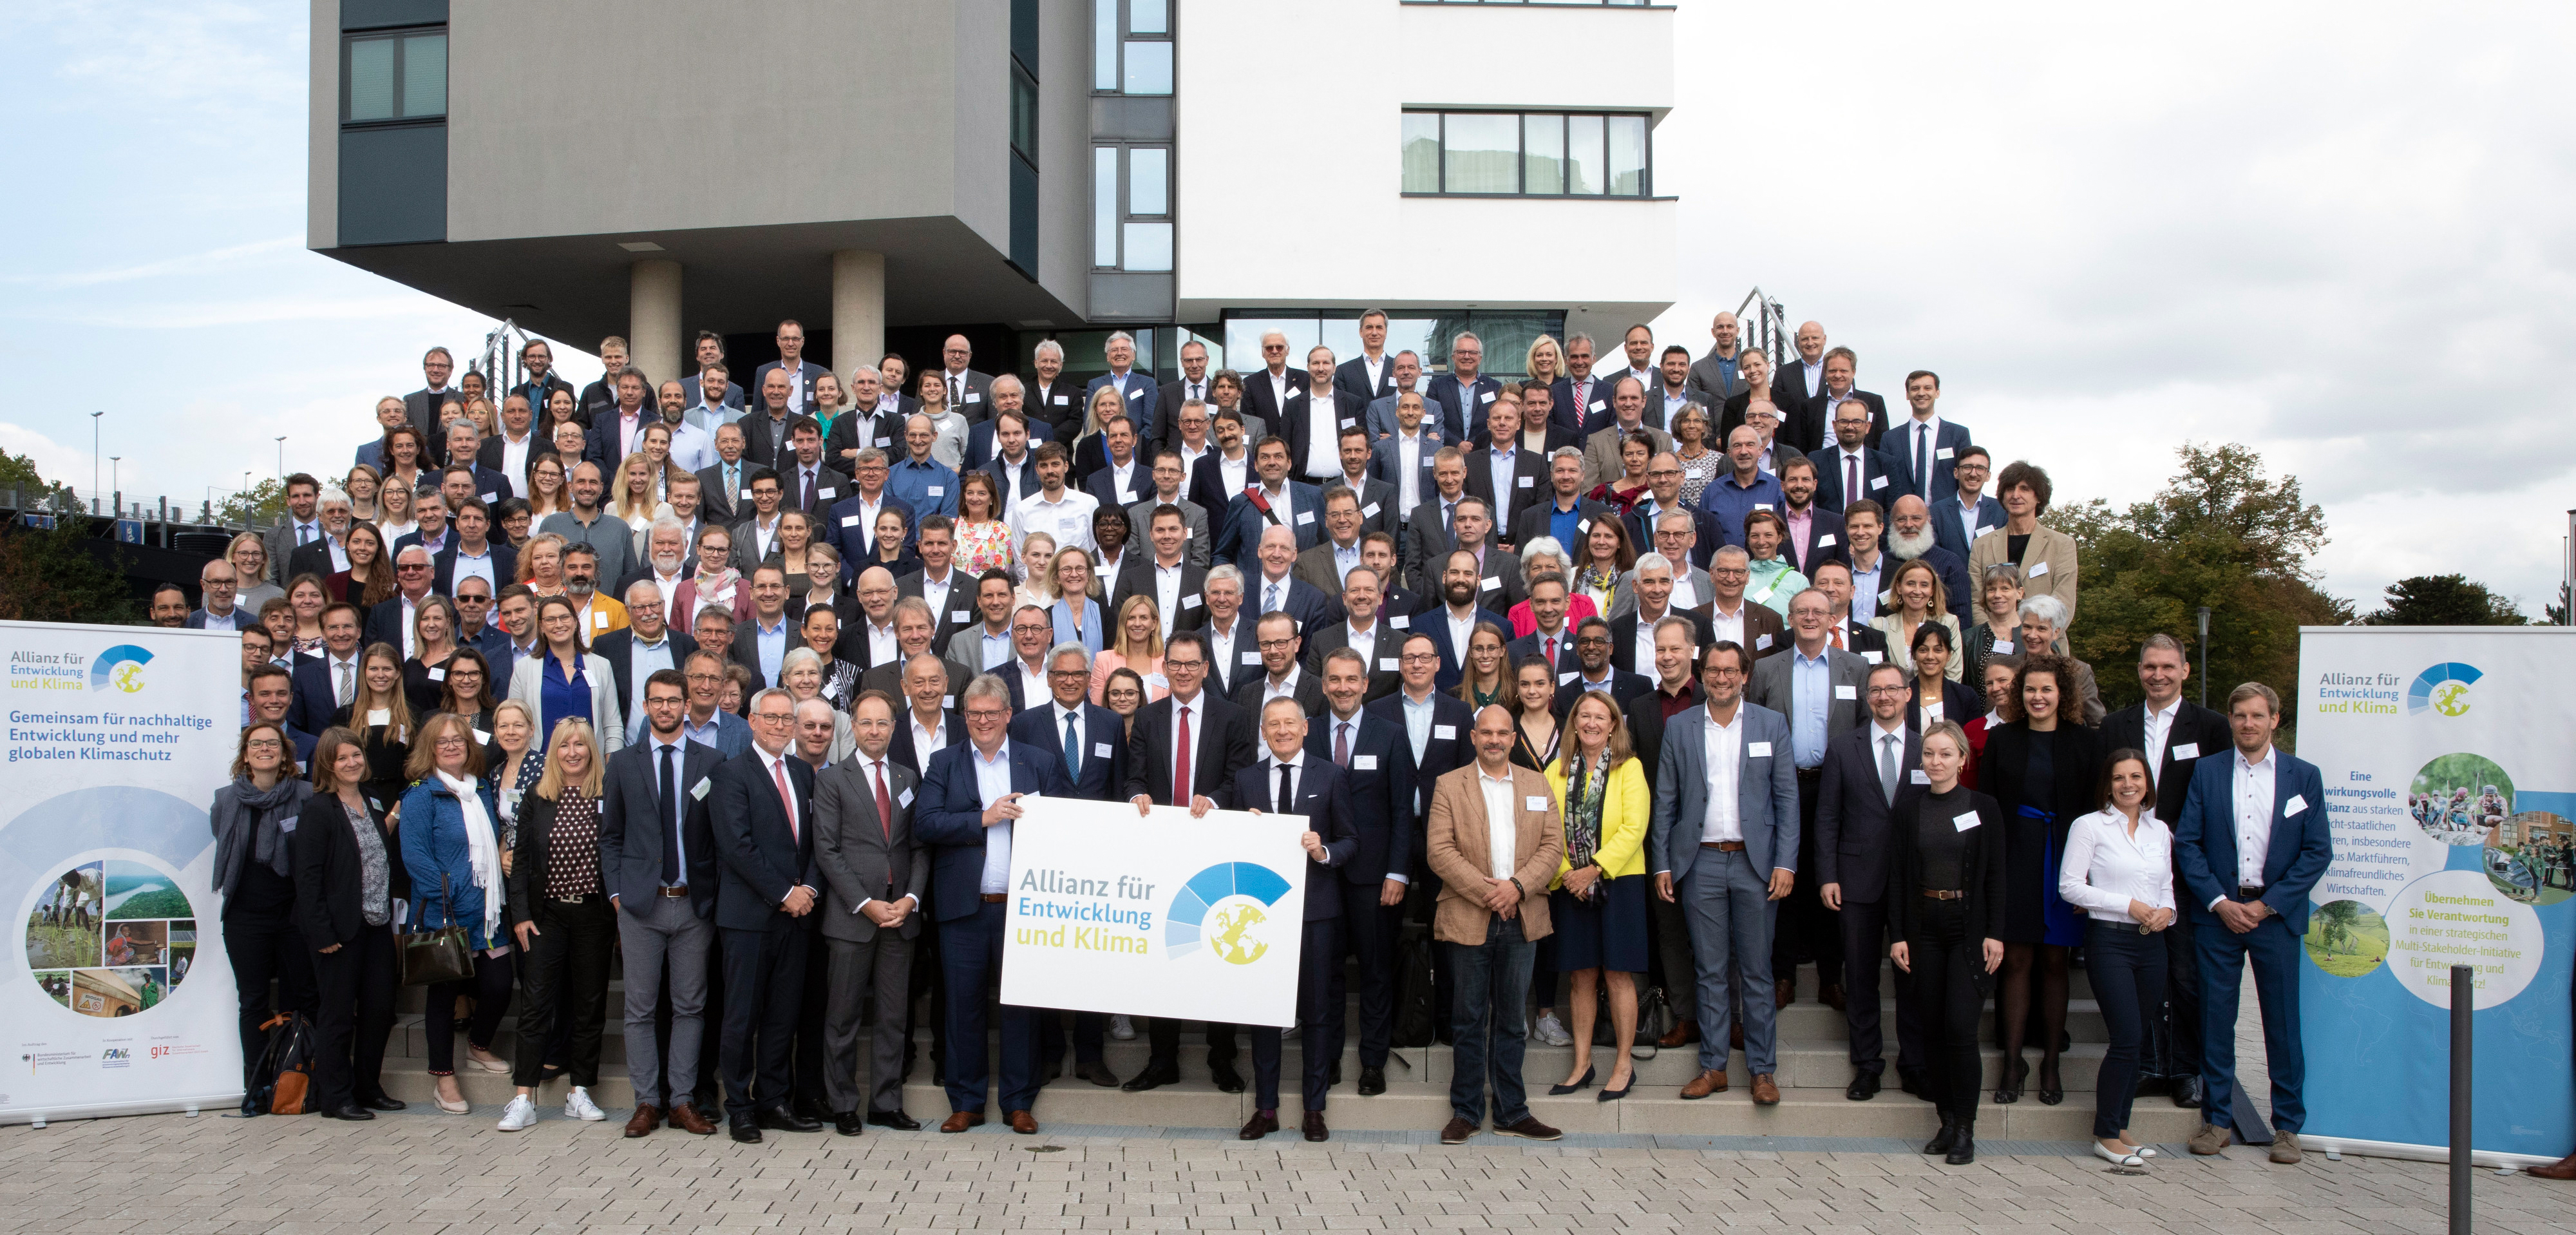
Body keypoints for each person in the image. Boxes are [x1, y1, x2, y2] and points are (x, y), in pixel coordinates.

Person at [2175, 683, 2333, 1163]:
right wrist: (2221, 902)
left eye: (2257, 716)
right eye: (2240, 715)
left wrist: (2267, 906)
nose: (2248, 724)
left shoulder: (2303, 776)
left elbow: (2317, 851)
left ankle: (2287, 1125)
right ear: (2231, 719)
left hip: (2275, 918)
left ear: (2275, 720)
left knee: (2281, 1024)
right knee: (2216, 1020)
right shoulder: (2208, 770)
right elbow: (2188, 844)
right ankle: (2217, 1119)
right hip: (2219, 915)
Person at [918, 675, 1068, 1134]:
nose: (983, 720)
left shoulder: (1038, 761)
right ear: (965, 717)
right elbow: (926, 823)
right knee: (963, 1008)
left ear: (1008, 715)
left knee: (1020, 1008)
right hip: (963, 909)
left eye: (991, 712)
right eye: (974, 713)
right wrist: (984, 818)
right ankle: (966, 1102)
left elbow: (1064, 823)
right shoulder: (944, 762)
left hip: (1024, 909)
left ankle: (1018, 1102)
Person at [1651, 641, 1798, 1105]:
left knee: (1756, 971)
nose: (1721, 678)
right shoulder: (1680, 726)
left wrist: (1785, 861)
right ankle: (1714, 1067)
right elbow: (1666, 801)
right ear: (1702, 673)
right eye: (1713, 670)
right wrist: (1663, 862)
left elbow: (1787, 800)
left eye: (1729, 671)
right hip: (1702, 862)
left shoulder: (1770, 724)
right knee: (1710, 969)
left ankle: (1762, 1071)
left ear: (1744, 675)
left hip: (1756, 865)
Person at [1118, 631, 1257, 1093]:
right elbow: (1135, 774)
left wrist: (1215, 800)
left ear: (1204, 668)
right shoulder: (1149, 715)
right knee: (1164, 956)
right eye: (1174, 663)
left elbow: (1241, 777)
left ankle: (1223, 1056)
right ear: (1166, 666)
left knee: (1217, 952)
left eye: (1190, 664)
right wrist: (1137, 793)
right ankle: (1163, 1060)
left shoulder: (1233, 716)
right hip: (1162, 852)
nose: (1181, 670)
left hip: (1215, 850)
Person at [2101, 633, 2234, 1109]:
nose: (2158, 674)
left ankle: (2184, 1068)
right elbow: (2104, 791)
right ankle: (2147, 1062)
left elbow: (2220, 799)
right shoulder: (2116, 725)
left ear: (2184, 671)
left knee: (2183, 972)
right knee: (2141, 972)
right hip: (2127, 865)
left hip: (2184, 867)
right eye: (2150, 666)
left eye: (2167, 667)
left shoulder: (2213, 727)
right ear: (2139, 670)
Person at [1426, 703, 1566, 1145]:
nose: (1494, 740)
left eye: (1503, 732)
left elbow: (1552, 845)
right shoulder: (1449, 785)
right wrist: (1492, 892)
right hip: (1471, 914)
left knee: (1511, 1019)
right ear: (1473, 737)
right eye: (1486, 732)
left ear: (1513, 737)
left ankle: (1511, 1109)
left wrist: (1518, 887)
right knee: (1467, 1018)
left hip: (1522, 916)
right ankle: (1466, 1110)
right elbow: (1439, 851)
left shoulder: (1536, 783)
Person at [594, 670, 723, 1137]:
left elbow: (718, 836)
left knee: (690, 1006)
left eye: (674, 700)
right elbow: (610, 837)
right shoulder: (624, 764)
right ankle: (647, 1101)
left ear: (687, 705)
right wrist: (616, 894)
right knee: (640, 1008)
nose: (666, 708)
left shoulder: (712, 761)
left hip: (693, 905)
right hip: (640, 905)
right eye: (657, 701)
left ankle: (683, 1101)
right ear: (645, 706)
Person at [1979, 651, 2107, 1106]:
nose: (2037, 697)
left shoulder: (2084, 742)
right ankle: (2014, 1062)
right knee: (2015, 962)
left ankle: (2051, 1062)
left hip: (2067, 858)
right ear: (2019, 693)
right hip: (2015, 857)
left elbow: (2097, 812)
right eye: (2030, 689)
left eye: (2046, 689)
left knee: (2055, 963)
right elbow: (1988, 808)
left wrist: (2089, 876)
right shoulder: (2002, 740)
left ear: (2062, 694)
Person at [1229, 698, 1358, 1142]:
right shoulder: (1245, 780)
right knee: (1265, 1011)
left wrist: (1323, 850)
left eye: (1289, 723)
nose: (1282, 731)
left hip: (1317, 912)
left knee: (1319, 1012)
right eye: (1273, 724)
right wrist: (1242, 828)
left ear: (1305, 728)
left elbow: (1350, 841)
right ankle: (1266, 1108)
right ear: (1263, 731)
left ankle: (1314, 1108)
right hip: (1261, 915)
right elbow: (1228, 846)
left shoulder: (1331, 775)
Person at [1887, 721, 2007, 1165]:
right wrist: (1898, 933)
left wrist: (1996, 931)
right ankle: (1946, 1121)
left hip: (1968, 928)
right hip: (1924, 928)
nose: (1936, 762)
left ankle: (1967, 1127)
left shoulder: (1984, 807)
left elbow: (1996, 873)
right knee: (1932, 1031)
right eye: (1930, 754)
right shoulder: (1909, 809)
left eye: (1945, 753)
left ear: (1963, 757)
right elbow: (1897, 876)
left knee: (1960, 1028)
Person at [706, 689, 823, 1142]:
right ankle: (740, 1105)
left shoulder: (802, 771)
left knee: (782, 1015)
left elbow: (816, 840)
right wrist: (783, 893)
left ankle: (774, 1099)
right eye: (770, 717)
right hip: (749, 918)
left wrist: (808, 888)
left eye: (786, 718)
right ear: (751, 721)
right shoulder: (730, 774)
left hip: (797, 918)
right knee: (742, 1016)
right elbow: (736, 846)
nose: (779, 725)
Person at [492, 718, 615, 1131]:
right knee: (536, 1005)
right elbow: (522, 861)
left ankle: (580, 1091)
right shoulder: (537, 798)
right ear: (554, 752)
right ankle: (523, 1096)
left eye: (581, 745)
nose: (573, 752)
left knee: (588, 1004)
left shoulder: (608, 794)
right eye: (565, 746)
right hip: (546, 918)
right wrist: (521, 914)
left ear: (592, 751)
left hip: (594, 916)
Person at [1815, 662, 1927, 1100]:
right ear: (1866, 697)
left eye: (1892, 689)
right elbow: (1827, 818)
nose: (1884, 696)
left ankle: (1914, 1064)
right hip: (1856, 879)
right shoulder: (1844, 748)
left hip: (1913, 884)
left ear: (1908, 695)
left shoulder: (1926, 749)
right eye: (1876, 690)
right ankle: (1867, 1065)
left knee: (1911, 978)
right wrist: (1827, 875)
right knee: (1860, 977)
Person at [2060, 749, 2175, 1167]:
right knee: (2125, 1037)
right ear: (2108, 783)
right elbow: (2070, 886)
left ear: (2148, 782)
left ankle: (2122, 1127)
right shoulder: (2089, 826)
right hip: (2110, 941)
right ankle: (2106, 1134)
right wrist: (2127, 904)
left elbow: (2166, 886)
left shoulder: (2159, 830)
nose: (2129, 784)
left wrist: (2168, 910)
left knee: (2139, 1037)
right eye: (2120, 777)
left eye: (2136, 776)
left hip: (2153, 944)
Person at [397, 713, 515, 1116]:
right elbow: (415, 857)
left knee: (499, 985)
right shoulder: (420, 795)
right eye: (442, 742)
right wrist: (450, 897)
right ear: (429, 748)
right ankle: (443, 1078)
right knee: (444, 997)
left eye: (458, 741)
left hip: (488, 913)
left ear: (470, 747)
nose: (451, 747)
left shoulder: (480, 789)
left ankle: (478, 1047)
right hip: (444, 914)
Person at [1542, 691, 1649, 1101]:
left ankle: (1624, 1065)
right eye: (1583, 716)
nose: (1591, 723)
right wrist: (1569, 874)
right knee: (1581, 975)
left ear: (1613, 725)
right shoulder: (1558, 770)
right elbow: (1548, 830)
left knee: (1618, 974)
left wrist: (1594, 869)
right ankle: (1582, 1064)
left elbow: (1634, 828)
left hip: (1618, 882)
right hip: (1570, 885)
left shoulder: (1630, 768)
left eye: (1599, 717)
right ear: (1573, 723)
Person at [294, 727, 402, 1121]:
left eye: (356, 755)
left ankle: (367, 1087)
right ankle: (335, 1096)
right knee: (338, 1015)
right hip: (338, 932)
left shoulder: (372, 802)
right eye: (342, 758)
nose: (352, 763)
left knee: (379, 1010)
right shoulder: (318, 809)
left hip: (376, 924)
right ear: (327, 764)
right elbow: (307, 879)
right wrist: (322, 932)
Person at [213, 722, 318, 1115]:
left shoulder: (306, 796)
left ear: (285, 754)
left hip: (293, 914)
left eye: (272, 744)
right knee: (253, 1001)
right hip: (245, 915)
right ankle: (256, 1088)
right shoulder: (225, 801)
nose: (264, 749)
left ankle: (297, 1084)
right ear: (245, 754)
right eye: (256, 744)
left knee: (301, 1000)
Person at [1967, 461, 2079, 628]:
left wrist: (2030, 634)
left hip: (2043, 644)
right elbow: (1975, 602)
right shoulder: (1982, 545)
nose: (2015, 495)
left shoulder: (2062, 545)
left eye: (2024, 489)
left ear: (2039, 497)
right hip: (1994, 646)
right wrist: (1997, 636)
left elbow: (2064, 603)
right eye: (2010, 489)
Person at [509, 595, 623, 754]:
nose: (559, 624)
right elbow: (514, 723)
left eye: (565, 617)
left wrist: (609, 768)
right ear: (541, 626)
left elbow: (612, 725)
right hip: (543, 768)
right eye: (550, 620)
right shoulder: (524, 668)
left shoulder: (601, 666)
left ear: (575, 622)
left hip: (592, 769)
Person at [328, 642, 415, 807]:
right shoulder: (344, 716)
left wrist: (396, 813)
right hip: (355, 801)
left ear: (398, 672)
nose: (380, 675)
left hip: (401, 804)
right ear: (364, 672)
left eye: (387, 669)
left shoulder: (413, 716)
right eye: (374, 669)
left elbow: (418, 768)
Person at [1871, 559, 1962, 681]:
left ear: (1932, 590)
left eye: (1924, 585)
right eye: (1911, 584)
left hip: (1937, 698)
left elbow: (1953, 675)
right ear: (1899, 587)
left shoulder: (1948, 623)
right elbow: (1875, 677)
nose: (1917, 591)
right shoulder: (1878, 627)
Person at [1906, 624, 1980, 732]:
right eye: (1923, 650)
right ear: (1914, 654)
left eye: (1938, 650)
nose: (1930, 657)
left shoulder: (1966, 697)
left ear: (1949, 655)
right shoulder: (1902, 696)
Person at [1961, 564, 2023, 689]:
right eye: (1991, 590)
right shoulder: (1968, 639)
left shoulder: (2034, 637)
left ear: (2019, 593)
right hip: (1980, 709)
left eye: (2005, 589)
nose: (1997, 595)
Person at [1452, 620, 1513, 710]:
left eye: (1492, 648)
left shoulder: (1516, 696)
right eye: (1479, 649)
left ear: (1502, 650)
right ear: (1470, 652)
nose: (1485, 655)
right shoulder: (1455, 698)